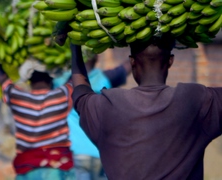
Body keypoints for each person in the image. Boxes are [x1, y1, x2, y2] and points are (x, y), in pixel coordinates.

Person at [70, 34, 222, 180]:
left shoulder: (109, 104)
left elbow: (81, 94)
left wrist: (74, 45)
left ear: (132, 62)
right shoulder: (195, 100)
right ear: (170, 61)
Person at [53, 46, 131, 180]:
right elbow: (127, 67)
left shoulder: (61, 83)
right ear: (97, 58)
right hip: (100, 154)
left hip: (76, 153)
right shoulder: (106, 78)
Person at [0, 57, 76, 180]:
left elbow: (2, 78)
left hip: (27, 168)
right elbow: (75, 78)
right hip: (57, 165)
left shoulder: (18, 97)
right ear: (51, 79)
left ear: (29, 81)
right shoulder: (62, 95)